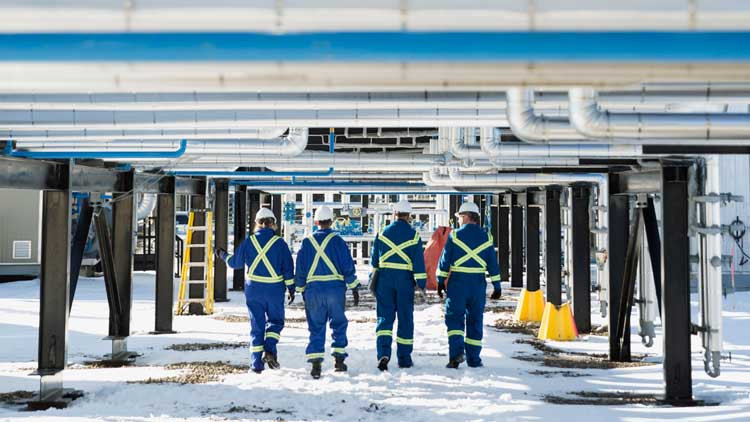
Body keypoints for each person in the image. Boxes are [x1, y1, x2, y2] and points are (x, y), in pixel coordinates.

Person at [215, 207, 294, 373]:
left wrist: (222, 254)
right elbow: (288, 269)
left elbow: (235, 263)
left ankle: (256, 364)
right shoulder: (280, 244)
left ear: (257, 224)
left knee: (256, 325)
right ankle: (270, 349)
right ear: (274, 224)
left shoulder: (249, 241)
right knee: (276, 321)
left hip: (254, 289)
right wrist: (292, 288)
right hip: (274, 290)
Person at [295, 205, 359, 379]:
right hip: (335, 290)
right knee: (338, 323)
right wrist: (353, 286)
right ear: (331, 222)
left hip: (313, 290)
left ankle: (316, 363)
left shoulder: (307, 242)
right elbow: (347, 265)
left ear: (316, 222)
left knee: (316, 326)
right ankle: (339, 360)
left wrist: (299, 288)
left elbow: (300, 267)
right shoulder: (338, 241)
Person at [436, 201, 502, 369]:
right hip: (478, 284)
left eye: (459, 217)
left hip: (458, 283)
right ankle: (474, 359)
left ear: (465, 217)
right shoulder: (487, 237)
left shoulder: (455, 236)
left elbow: (445, 261)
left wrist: (440, 282)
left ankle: (456, 354)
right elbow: (493, 264)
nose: (458, 221)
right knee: (475, 320)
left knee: (454, 319)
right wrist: (497, 286)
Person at [370, 199, 427, 371]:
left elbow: (375, 262)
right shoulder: (414, 236)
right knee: (405, 319)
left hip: (385, 280)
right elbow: (418, 263)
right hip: (404, 282)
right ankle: (404, 358)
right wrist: (422, 284)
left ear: (394, 214)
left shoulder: (381, 234)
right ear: (409, 216)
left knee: (384, 318)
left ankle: (383, 354)